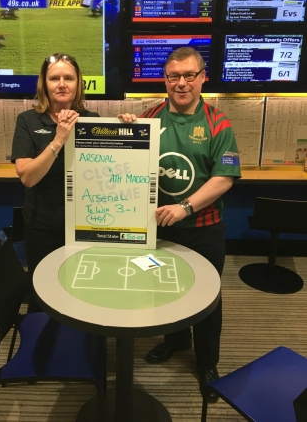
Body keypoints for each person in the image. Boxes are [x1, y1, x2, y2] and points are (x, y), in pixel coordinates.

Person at [119, 47, 241, 401]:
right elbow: (126, 159)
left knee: (206, 301)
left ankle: (207, 363)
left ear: (203, 77)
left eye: (190, 75)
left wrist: (185, 207)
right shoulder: (150, 116)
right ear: (166, 79)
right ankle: (174, 341)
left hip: (204, 229)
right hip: (160, 229)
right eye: (174, 76)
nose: (182, 83)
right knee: (165, 293)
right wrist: (126, 129)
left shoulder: (219, 123)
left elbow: (225, 177)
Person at [11, 53, 99, 311]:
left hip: (87, 223)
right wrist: (58, 139)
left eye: (68, 78)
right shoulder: (27, 121)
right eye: (55, 78)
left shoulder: (92, 120)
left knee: (83, 287)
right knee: (43, 291)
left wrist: (131, 126)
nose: (62, 83)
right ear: (44, 84)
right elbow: (27, 177)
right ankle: (42, 345)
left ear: (78, 84)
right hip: (43, 225)